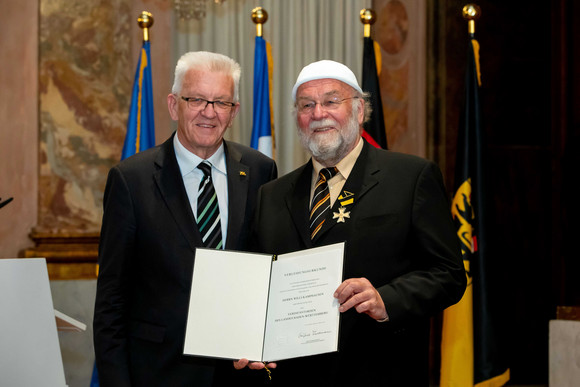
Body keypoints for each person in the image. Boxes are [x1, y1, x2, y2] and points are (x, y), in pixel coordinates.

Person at [236, 60, 466, 386]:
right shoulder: (271, 195)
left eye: (331, 101)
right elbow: (255, 287)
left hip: (380, 371)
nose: (318, 113)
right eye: (306, 105)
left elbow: (449, 274)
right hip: (294, 378)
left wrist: (387, 299)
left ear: (359, 111)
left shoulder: (410, 178)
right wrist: (248, 339)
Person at [93, 51, 277, 387]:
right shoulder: (130, 180)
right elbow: (111, 303)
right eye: (196, 100)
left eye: (221, 102)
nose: (209, 112)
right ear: (174, 104)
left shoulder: (260, 170)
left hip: (239, 376)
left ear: (234, 112)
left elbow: (265, 266)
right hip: (158, 373)